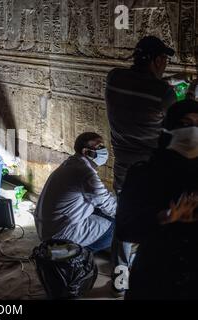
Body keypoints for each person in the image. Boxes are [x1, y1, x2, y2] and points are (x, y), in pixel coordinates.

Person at [105, 35, 181, 292]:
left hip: (122, 169)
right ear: (158, 60)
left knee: (123, 224)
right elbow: (175, 121)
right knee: (156, 223)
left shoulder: (114, 78)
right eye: (164, 61)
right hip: (149, 173)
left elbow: (138, 87)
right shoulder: (164, 93)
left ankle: (118, 283)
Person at [116, 100, 198, 299]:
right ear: (169, 129)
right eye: (185, 124)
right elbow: (125, 229)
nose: (194, 132)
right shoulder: (144, 173)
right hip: (157, 274)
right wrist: (165, 216)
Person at [34, 132, 117, 252]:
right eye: (99, 147)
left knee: (104, 213)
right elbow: (108, 204)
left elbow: (101, 198)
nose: (103, 151)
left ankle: (82, 243)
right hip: (61, 234)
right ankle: (77, 252)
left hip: (48, 228)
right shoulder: (85, 172)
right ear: (85, 151)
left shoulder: (72, 163)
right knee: (120, 226)